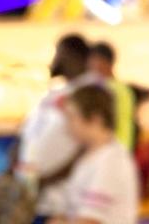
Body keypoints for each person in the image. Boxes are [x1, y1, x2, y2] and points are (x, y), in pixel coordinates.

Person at [17, 34, 98, 222]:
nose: (53, 60)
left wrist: (47, 179)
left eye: (57, 53)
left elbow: (91, 146)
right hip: (34, 198)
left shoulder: (92, 91)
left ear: (70, 55)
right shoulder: (56, 93)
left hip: (62, 203)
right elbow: (28, 134)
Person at [48, 84, 140, 224]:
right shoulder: (89, 156)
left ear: (96, 119)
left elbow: (90, 220)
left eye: (72, 117)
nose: (68, 125)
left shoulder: (111, 160)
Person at [87, 41, 136, 150]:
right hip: (123, 147)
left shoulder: (106, 89)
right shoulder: (124, 89)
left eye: (92, 60)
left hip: (112, 148)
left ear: (102, 61)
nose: (89, 66)